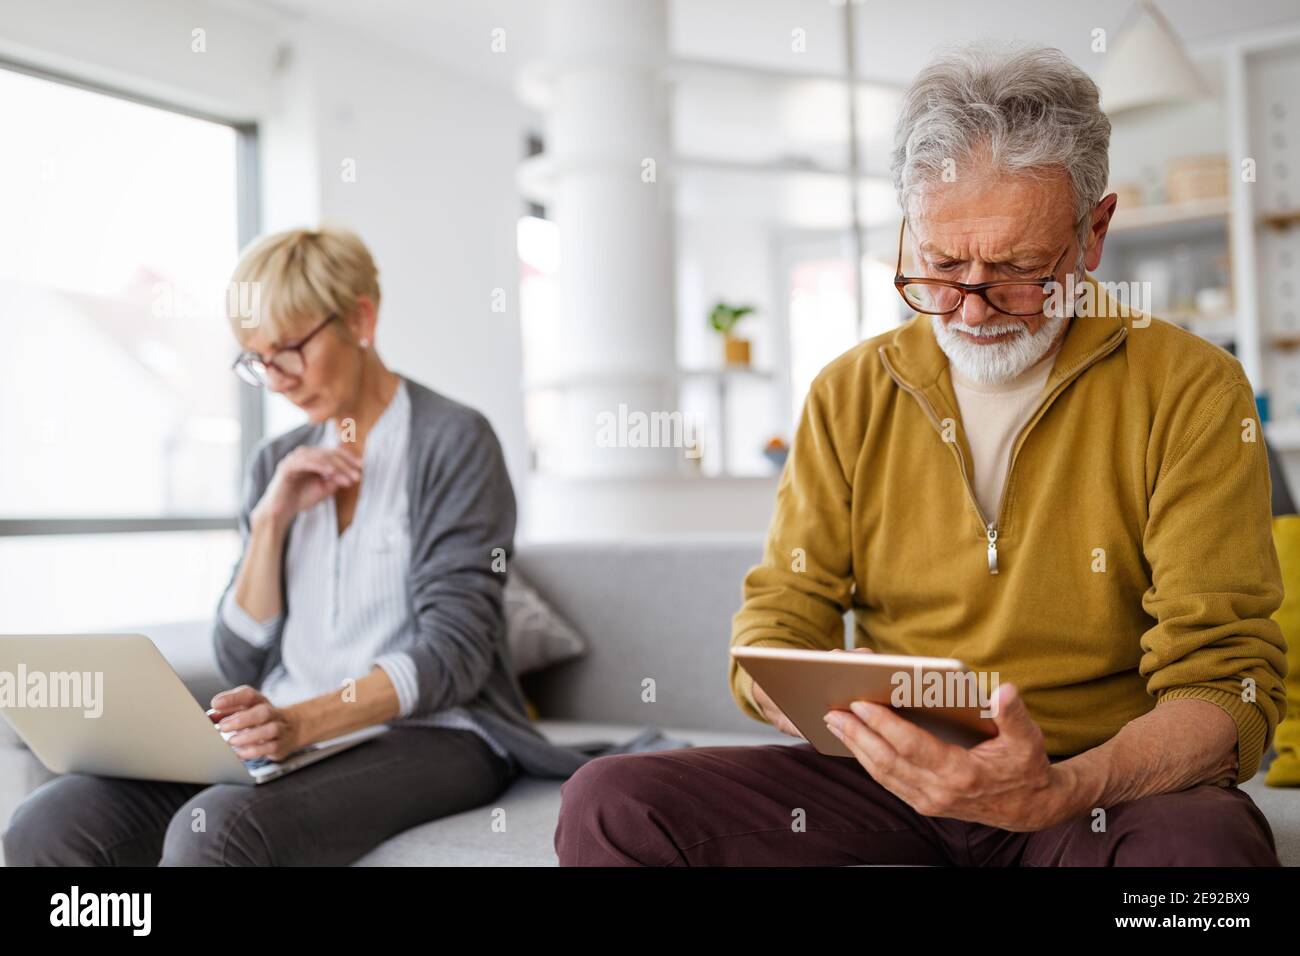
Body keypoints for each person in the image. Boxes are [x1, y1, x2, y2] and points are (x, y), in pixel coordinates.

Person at [554, 43, 1287, 866]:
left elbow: (1229, 681)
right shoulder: (849, 392)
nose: (970, 309)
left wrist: (1059, 790)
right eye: (940, 266)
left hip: (1091, 785)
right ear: (909, 231)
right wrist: (814, 696)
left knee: (1205, 857)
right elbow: (780, 615)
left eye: (1016, 271)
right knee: (611, 802)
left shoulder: (1193, 388)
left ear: (1094, 233)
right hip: (887, 782)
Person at [4, 226, 584, 866]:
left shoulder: (455, 441)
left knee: (215, 831)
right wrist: (270, 522)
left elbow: (456, 656)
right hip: (287, 726)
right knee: (49, 823)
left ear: (360, 319)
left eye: (290, 350)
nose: (277, 381)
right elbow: (239, 658)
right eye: (257, 359)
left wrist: (303, 722)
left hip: (436, 731)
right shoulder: (277, 462)